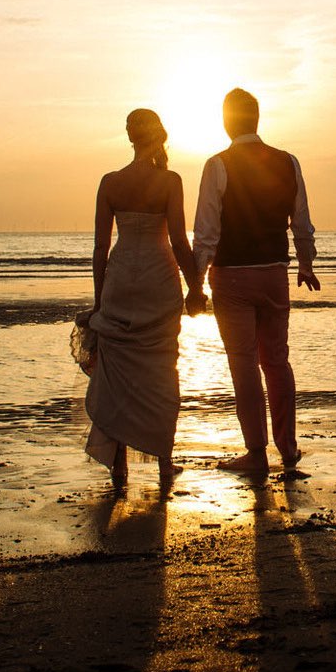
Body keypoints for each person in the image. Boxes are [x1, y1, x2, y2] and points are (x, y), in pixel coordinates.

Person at [193, 88, 319, 474]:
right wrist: (306, 265)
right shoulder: (288, 162)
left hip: (231, 278)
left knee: (244, 365)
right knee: (277, 362)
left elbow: (206, 232)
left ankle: (256, 454)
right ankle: (288, 448)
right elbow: (302, 221)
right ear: (258, 119)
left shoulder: (218, 165)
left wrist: (195, 283)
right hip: (275, 275)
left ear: (227, 122)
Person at [85, 109, 205, 491]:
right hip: (157, 278)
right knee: (159, 371)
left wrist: (99, 301)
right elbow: (178, 241)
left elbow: (101, 247)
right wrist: (195, 287)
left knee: (117, 373)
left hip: (120, 278)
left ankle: (118, 466)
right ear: (159, 137)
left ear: (130, 136)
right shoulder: (169, 181)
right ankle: (165, 463)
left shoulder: (110, 182)